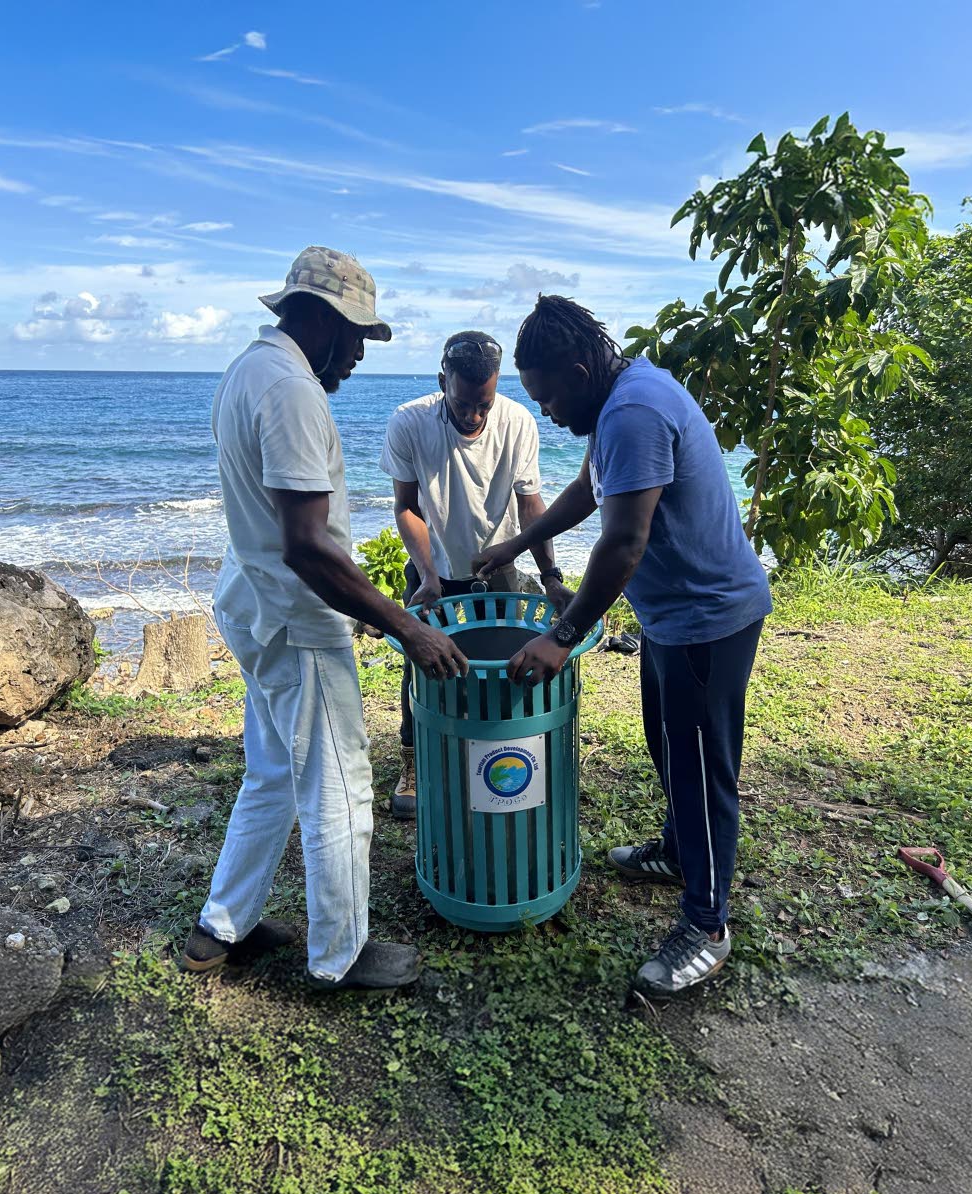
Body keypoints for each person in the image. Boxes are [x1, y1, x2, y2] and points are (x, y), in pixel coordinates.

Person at [182, 246, 468, 990]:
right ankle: (341, 956)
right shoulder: (292, 392)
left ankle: (222, 925)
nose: (358, 358)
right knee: (341, 783)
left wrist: (371, 606)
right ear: (324, 321)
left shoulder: (250, 369)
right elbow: (309, 548)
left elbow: (284, 530)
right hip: (296, 619)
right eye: (357, 340)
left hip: (250, 601)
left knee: (273, 771)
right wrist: (408, 626)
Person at [475, 295, 772, 995]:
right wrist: (518, 542)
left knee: (701, 771)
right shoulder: (617, 398)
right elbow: (589, 487)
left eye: (548, 397)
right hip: (672, 619)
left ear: (579, 370)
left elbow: (625, 541)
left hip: (709, 619)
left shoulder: (634, 411)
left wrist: (561, 635)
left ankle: (706, 924)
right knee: (668, 747)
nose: (546, 412)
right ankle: (677, 853)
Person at [379, 330, 573, 818]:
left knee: (504, 668)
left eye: (484, 404)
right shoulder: (409, 422)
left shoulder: (518, 422)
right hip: (433, 569)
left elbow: (531, 505)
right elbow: (407, 506)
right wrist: (427, 573)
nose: (474, 416)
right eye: (464, 404)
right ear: (442, 379)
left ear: (496, 388)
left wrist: (549, 573)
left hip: (498, 567)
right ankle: (415, 763)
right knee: (423, 667)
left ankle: (495, 757)